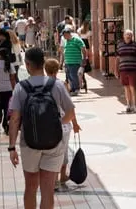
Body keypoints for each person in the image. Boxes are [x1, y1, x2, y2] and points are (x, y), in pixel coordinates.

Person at [8, 48, 76, 209]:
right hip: (54, 143)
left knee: (31, 188)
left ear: (28, 64)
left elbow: (15, 119)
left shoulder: (20, 87)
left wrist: (12, 147)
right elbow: (71, 112)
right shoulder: (57, 85)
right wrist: (56, 125)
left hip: (29, 142)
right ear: (43, 64)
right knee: (48, 192)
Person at [43, 58, 81, 191]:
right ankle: (58, 179)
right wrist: (75, 124)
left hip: (46, 125)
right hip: (62, 126)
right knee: (62, 152)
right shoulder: (61, 85)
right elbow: (69, 108)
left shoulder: (41, 85)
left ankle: (60, 178)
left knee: (51, 152)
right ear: (57, 69)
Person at [117, 30, 136, 113]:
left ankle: (135, 106)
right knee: (126, 88)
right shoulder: (120, 45)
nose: (128, 36)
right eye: (127, 35)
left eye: (130, 35)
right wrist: (116, 70)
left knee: (133, 87)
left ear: (132, 36)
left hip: (133, 69)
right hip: (123, 70)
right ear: (124, 36)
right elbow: (117, 58)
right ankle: (128, 105)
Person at [0, 48, 17, 134]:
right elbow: (13, 78)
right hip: (7, 88)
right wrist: (14, 88)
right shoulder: (10, 65)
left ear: (0, 54)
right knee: (7, 107)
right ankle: (6, 124)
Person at [60, 27, 86, 96]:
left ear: (68, 34)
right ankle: (73, 88)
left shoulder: (77, 40)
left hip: (75, 61)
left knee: (73, 75)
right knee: (69, 76)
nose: (64, 37)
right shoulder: (66, 41)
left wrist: (84, 59)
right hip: (68, 62)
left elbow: (83, 49)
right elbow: (64, 52)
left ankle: (76, 89)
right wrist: (63, 62)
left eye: (65, 35)